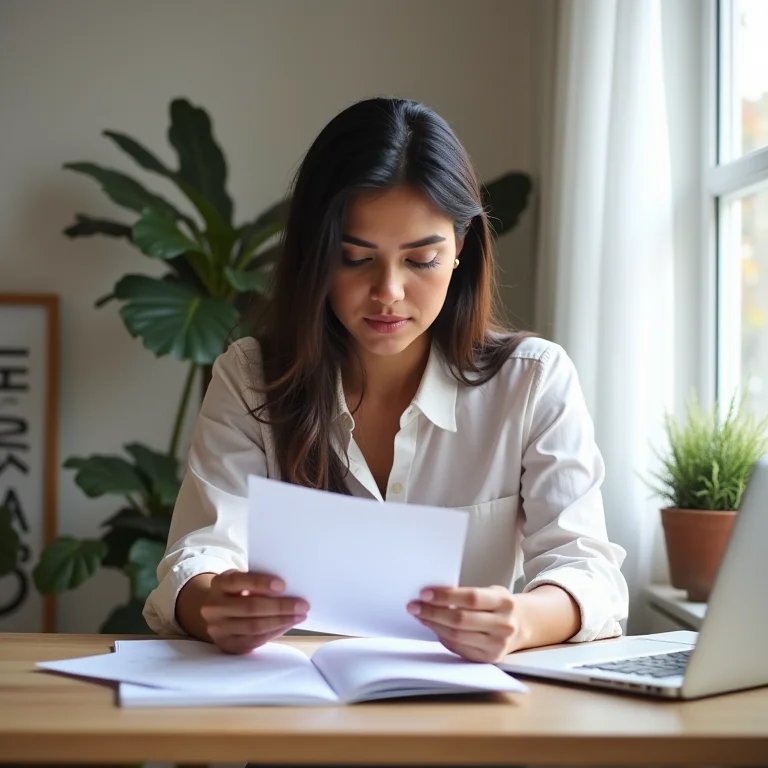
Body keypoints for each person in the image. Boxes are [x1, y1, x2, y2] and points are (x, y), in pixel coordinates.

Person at [143, 97, 628, 663]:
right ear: (316, 256)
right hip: (289, 715)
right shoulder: (252, 378)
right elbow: (200, 556)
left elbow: (588, 570)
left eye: (421, 260)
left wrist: (519, 620)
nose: (388, 293)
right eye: (354, 258)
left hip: (464, 724)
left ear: (460, 251)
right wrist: (212, 605)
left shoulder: (532, 383)